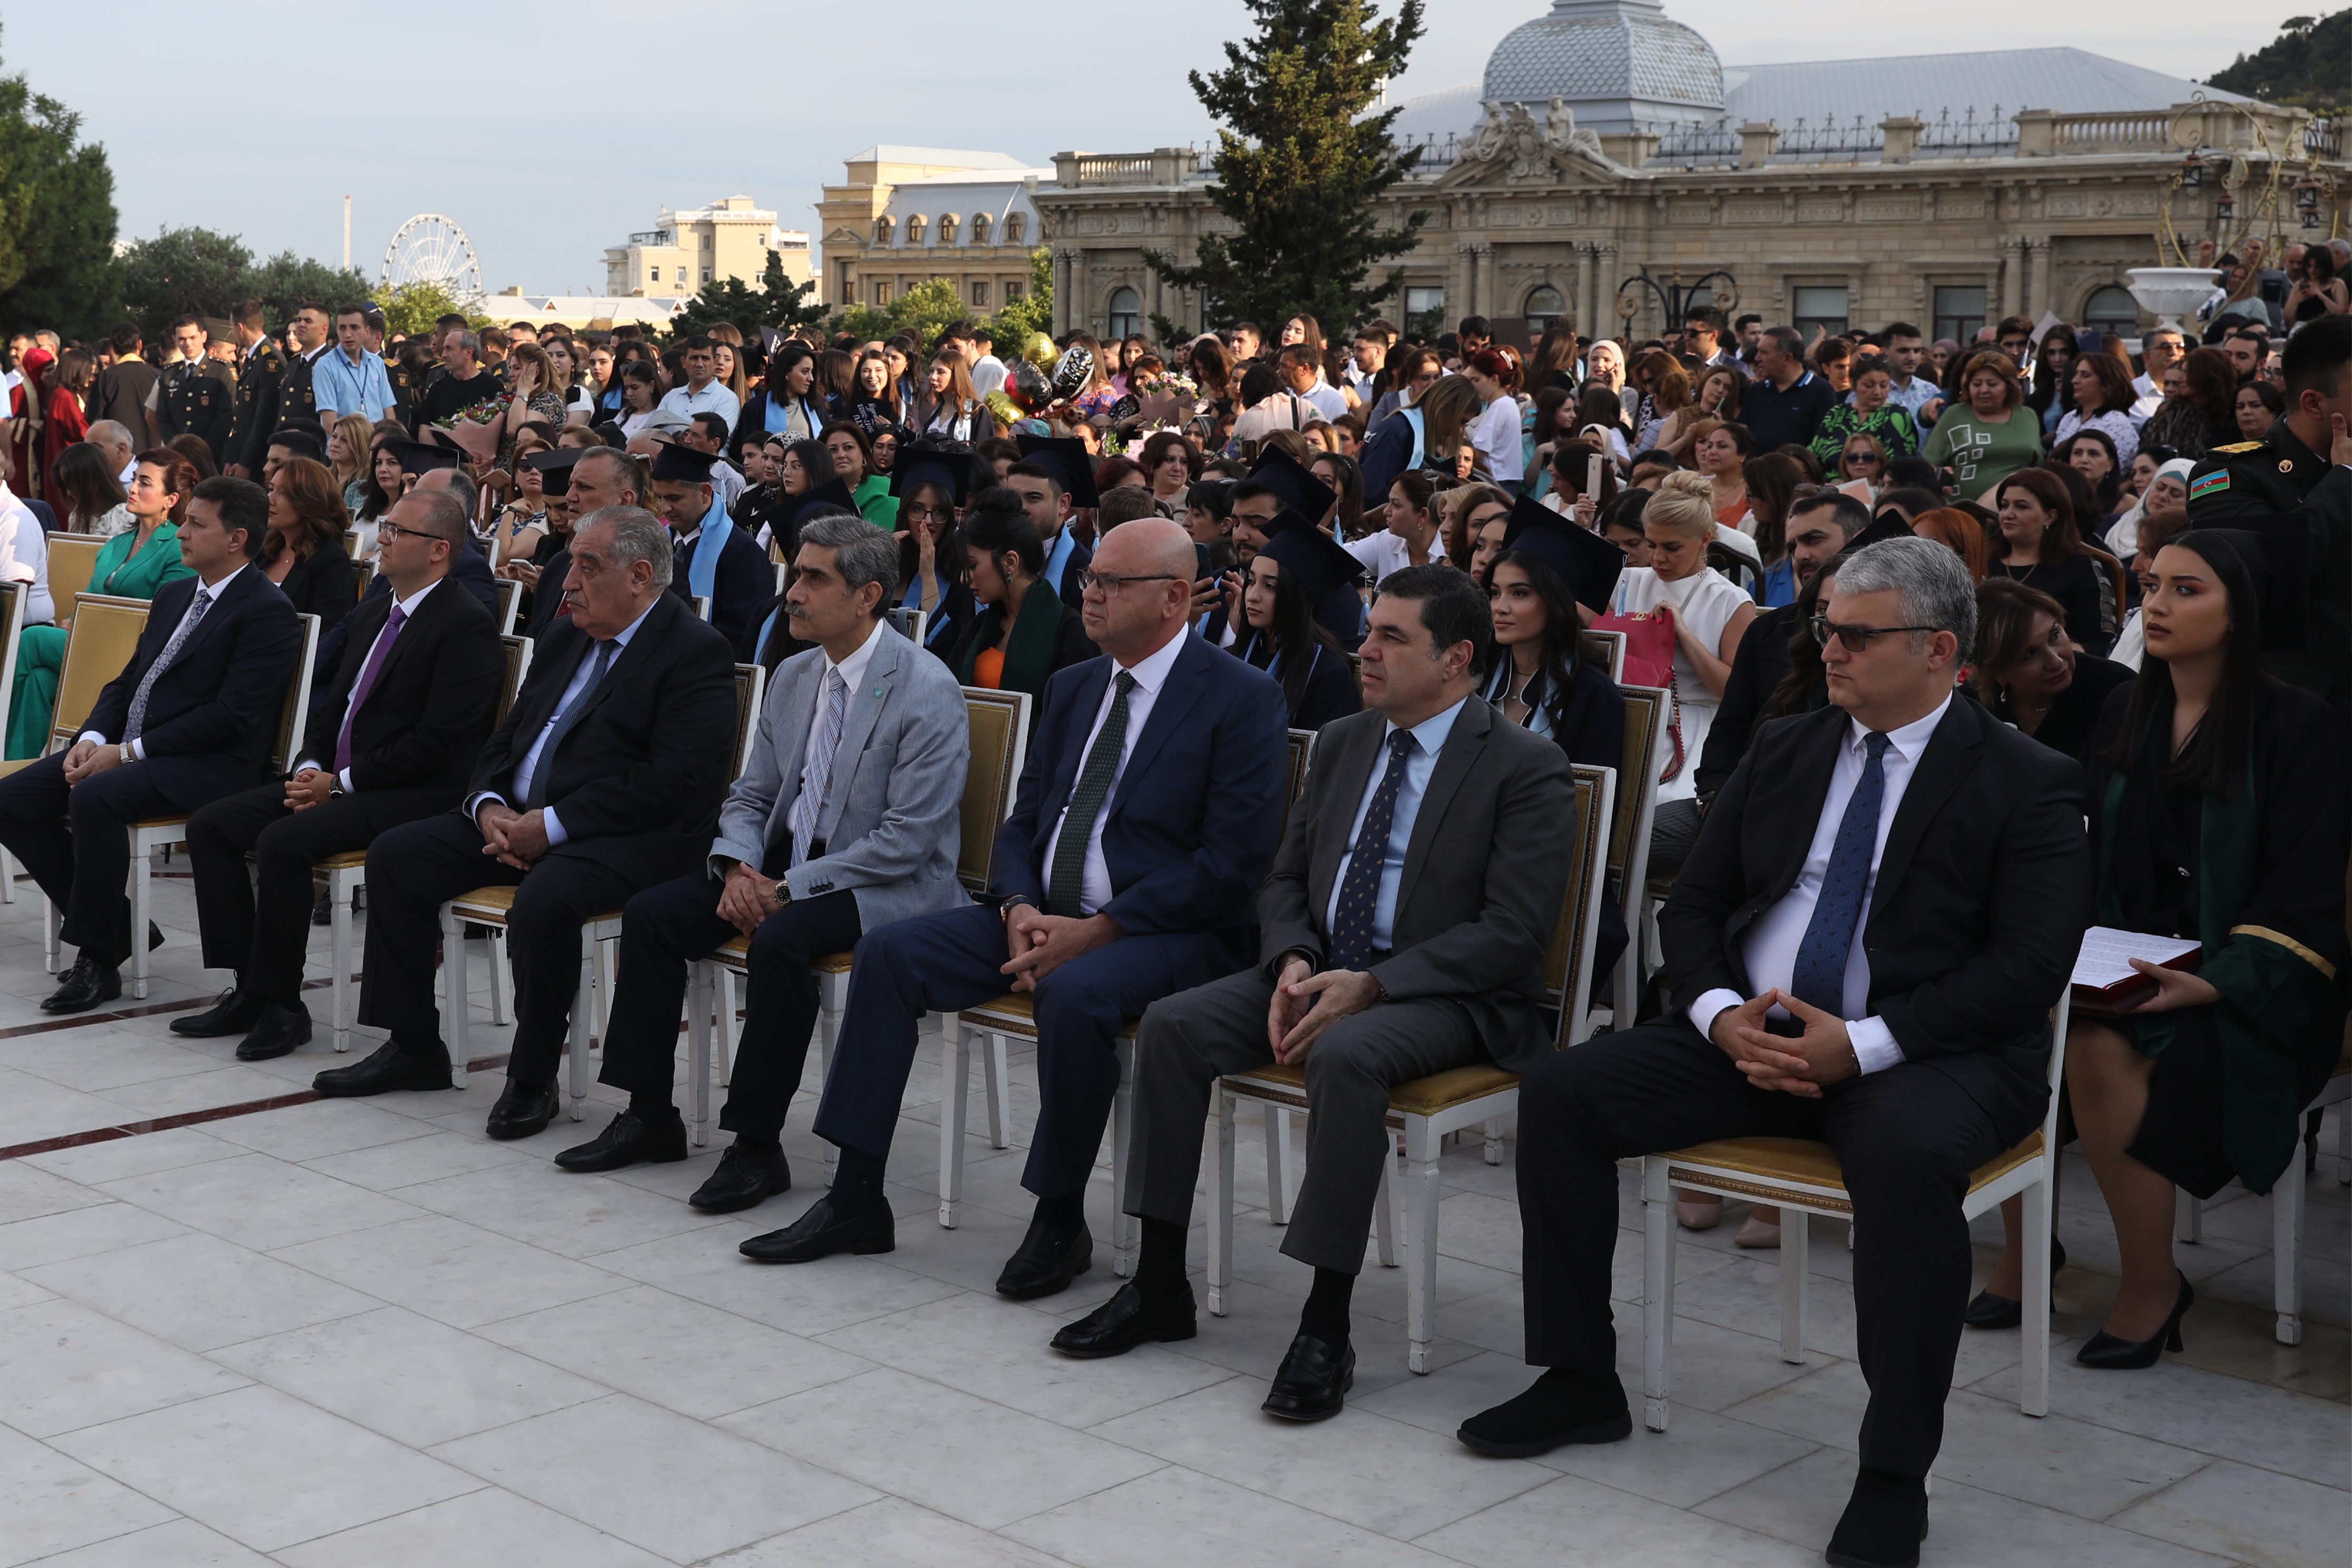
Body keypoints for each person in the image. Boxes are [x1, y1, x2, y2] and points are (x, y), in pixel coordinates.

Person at [1461, 537, 2093, 1568]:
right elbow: (1699, 905)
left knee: (1906, 1159)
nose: (1827, 648)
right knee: (1567, 1090)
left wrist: (1868, 1044)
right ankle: (1579, 1379)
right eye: (1824, 628)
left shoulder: (2031, 780)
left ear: (1941, 650)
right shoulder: (1790, 745)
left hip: (1932, 1054)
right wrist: (1719, 1017)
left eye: (1855, 633)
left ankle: (1894, 1472)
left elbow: (2027, 968)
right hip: (1750, 1033)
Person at [1052, 564, 1574, 1419]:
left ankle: (1324, 1325)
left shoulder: (1523, 765)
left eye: (1390, 638)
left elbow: (1510, 933)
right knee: (1175, 1028)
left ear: (1456, 658)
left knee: (1345, 1053)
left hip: (1442, 995)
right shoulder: (1341, 740)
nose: (1361, 650)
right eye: (1366, 629)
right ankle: (1156, 1284)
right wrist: (1292, 956)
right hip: (1315, 966)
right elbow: (1284, 878)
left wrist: (1371, 984)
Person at [740, 517, 1289, 1292]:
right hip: (1042, 912)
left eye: (1108, 583)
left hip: (1170, 929)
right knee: (893, 953)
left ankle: (1059, 1219)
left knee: (1074, 992)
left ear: (1174, 598)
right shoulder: (1075, 686)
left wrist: (1100, 928)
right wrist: (1020, 903)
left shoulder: (1241, 698)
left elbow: (1231, 864)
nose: (1087, 595)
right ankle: (856, 1195)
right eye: (1089, 578)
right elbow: (1025, 820)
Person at [1968, 531, 2347, 1365]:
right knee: (2004, 1012)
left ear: (2241, 611)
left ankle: (2152, 1282)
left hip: (2254, 977)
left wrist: (2215, 980)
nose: (2159, 606)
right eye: (2152, 588)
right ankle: (2028, 1250)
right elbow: (2087, 848)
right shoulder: (2128, 708)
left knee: (2099, 1044)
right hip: (2127, 956)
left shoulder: (2297, 725)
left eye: (2187, 589)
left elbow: (2308, 890)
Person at [551, 513, 972, 1201]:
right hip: (781, 868)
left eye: (813, 578)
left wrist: (786, 890)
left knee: (781, 941)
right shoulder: (797, 673)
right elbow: (752, 794)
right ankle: (649, 1113)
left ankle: (755, 1145)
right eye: (795, 573)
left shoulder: (925, 689)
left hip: (881, 883)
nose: (793, 593)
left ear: (868, 597)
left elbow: (909, 840)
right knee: (654, 914)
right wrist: (740, 866)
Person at [315, 507, 740, 1131]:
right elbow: (508, 736)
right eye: (569, 567)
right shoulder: (569, 633)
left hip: (623, 837)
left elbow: (670, 783)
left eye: (586, 569)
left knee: (545, 901)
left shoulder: (695, 652)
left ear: (640, 576)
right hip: (518, 819)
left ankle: (531, 1076)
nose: (565, 585)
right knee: (398, 856)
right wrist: (489, 806)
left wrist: (554, 824)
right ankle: (413, 1046)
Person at [175, 491, 503, 1060]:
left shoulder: (465, 626)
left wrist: (340, 785)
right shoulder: (379, 607)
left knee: (283, 842)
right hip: (341, 778)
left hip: (415, 794)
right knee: (212, 826)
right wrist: (309, 767)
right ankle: (250, 984)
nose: (382, 539)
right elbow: (335, 710)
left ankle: (282, 1004)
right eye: (388, 528)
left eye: (398, 532)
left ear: (439, 550)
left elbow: (438, 744)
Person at [0, 477, 302, 1012]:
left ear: (236, 539)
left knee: (96, 795)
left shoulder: (266, 610)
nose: (181, 532)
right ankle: (116, 925)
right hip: (137, 750)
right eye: (185, 521)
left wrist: (128, 752)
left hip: (211, 765)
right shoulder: (176, 593)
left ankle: (97, 957)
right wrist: (91, 737)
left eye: (196, 524)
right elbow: (129, 682)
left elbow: (231, 718)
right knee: (12, 800)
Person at [2186, 312, 2352, 713]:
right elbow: (2269, 570)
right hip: (2307, 707)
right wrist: (2345, 477)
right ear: (2314, 403)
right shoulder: (2227, 474)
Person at [1610, 471, 1756, 876]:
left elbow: (1734, 691)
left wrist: (1684, 635)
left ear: (1706, 539)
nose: (1657, 559)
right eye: (1650, 544)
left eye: (1672, 548)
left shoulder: (1731, 600)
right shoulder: (1627, 581)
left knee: (1654, 817)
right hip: (1625, 716)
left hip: (1693, 728)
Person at [6, 452, 199, 758]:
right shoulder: (116, 544)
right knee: (39, 681)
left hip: (129, 655)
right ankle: (17, 769)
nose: (132, 488)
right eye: (135, 479)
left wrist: (85, 622)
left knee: (32, 638)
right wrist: (73, 619)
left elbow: (163, 619)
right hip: (87, 643)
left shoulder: (177, 549)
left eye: (145, 482)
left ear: (170, 500)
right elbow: (88, 598)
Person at [946, 490, 1096, 699]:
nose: (965, 578)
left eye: (972, 565)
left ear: (1010, 562)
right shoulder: (980, 626)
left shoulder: (1071, 633)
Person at [1969, 577, 2132, 760]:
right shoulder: (1968, 710)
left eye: (2054, 635)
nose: (2055, 661)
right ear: (1997, 672)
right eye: (2028, 655)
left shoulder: (2118, 691)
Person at [1232, 515, 1363, 730]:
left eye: (1271, 586)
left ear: (1298, 597)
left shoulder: (1328, 675)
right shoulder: (1235, 655)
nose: (1252, 596)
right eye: (1252, 581)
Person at [647, 440, 771, 658]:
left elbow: (742, 632)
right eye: (660, 498)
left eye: (675, 498)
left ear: (705, 492)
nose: (665, 508)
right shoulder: (654, 544)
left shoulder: (741, 552)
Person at [1990, 467, 2113, 655]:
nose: (2008, 514)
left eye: (2021, 506)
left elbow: (2101, 643)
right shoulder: (1985, 559)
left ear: (2050, 517)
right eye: (2005, 506)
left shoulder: (2080, 567)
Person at [1923, 349, 2044, 502]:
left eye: (1992, 384)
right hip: (1962, 511)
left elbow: (2038, 466)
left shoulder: (2027, 416)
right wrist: (1939, 475)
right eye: (1977, 384)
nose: (1984, 390)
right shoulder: (1954, 416)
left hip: (2016, 509)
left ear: (2009, 386)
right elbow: (1928, 464)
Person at [260, 456, 360, 624]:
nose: (270, 499)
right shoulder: (266, 549)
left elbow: (327, 631)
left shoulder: (331, 560)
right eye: (271, 489)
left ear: (310, 500)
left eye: (283, 492)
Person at [1007, 435, 1099, 612]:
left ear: (1063, 504)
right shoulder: (991, 554)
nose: (1021, 508)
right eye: (1013, 497)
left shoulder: (1084, 570)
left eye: (1033, 498)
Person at [895, 477, 972, 657]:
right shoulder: (884, 561)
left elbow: (952, 648)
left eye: (939, 511)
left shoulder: (961, 574)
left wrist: (928, 575)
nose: (928, 520)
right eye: (918, 509)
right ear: (904, 513)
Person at [1811, 355, 1919, 474]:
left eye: (1884, 385)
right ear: (1853, 384)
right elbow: (1813, 454)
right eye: (1869, 385)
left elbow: (1899, 464)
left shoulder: (1897, 415)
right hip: (1829, 487)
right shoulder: (1837, 413)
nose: (1877, 392)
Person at [1740, 326, 1835, 453]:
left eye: (1764, 352)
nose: (1757, 358)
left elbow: (1824, 444)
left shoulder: (1821, 392)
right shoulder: (1757, 390)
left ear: (1787, 358)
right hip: (1755, 471)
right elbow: (1742, 434)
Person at [2142, 346, 2240, 464]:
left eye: (2188, 373)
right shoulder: (2171, 411)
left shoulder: (2232, 415)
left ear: (2208, 376)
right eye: (2182, 372)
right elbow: (2149, 451)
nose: (2181, 379)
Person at [155, 318, 232, 463]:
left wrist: (202, 452)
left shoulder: (221, 370)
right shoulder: (169, 374)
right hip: (178, 458)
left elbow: (226, 417)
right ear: (175, 340)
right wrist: (176, 449)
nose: (188, 344)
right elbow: (163, 418)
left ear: (204, 337)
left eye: (193, 338)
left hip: (212, 456)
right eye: (182, 339)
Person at [313, 303, 397, 426]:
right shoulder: (325, 366)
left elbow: (389, 413)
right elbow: (330, 422)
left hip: (376, 443)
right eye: (342, 328)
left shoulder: (377, 363)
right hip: (344, 443)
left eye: (354, 328)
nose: (348, 334)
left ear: (366, 331)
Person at [2052, 350, 2140, 469]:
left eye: (2085, 375)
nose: (2075, 380)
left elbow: (2120, 469)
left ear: (2107, 385)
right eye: (2076, 374)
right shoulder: (2070, 418)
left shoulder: (2117, 423)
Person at [88, 326, 159, 450]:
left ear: (114, 350)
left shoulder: (106, 378)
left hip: (119, 453)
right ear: (140, 345)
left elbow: (94, 418)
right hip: (154, 452)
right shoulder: (158, 376)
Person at [819, 420, 898, 528]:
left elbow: (879, 542)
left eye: (848, 447)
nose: (841, 455)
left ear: (864, 455)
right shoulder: (823, 492)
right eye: (833, 450)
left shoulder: (883, 490)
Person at [657, 336, 743, 431]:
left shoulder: (727, 399)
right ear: (684, 362)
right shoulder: (671, 397)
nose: (700, 364)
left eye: (705, 358)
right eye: (694, 358)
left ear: (715, 363)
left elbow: (714, 440)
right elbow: (655, 430)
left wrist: (675, 433)